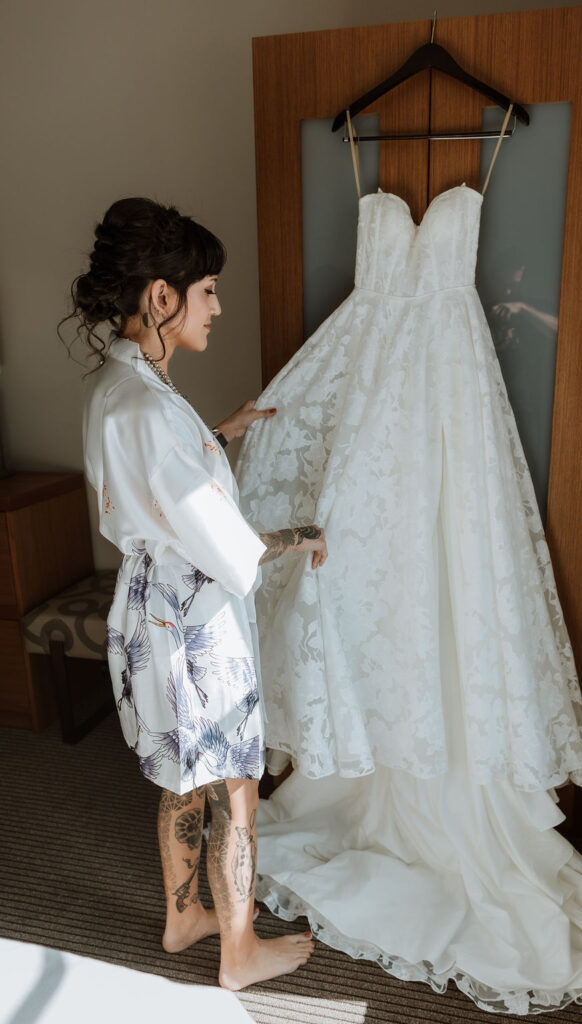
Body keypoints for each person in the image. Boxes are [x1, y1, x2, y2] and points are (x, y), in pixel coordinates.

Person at [58, 196, 327, 990]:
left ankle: (185, 920)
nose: (216, 304)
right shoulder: (150, 409)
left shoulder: (119, 384)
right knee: (235, 788)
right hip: (193, 620)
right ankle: (239, 954)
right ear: (162, 297)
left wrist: (217, 432)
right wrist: (302, 534)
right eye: (206, 289)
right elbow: (235, 552)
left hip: (147, 604)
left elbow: (156, 481)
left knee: (182, 774)